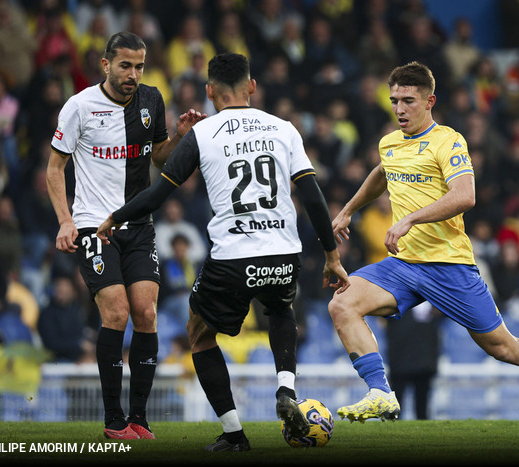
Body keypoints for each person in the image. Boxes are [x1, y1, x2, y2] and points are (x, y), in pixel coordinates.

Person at [328, 61, 519, 436]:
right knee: (342, 303)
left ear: (429, 101)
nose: (399, 109)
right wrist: (347, 211)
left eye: (408, 100)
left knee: (505, 348)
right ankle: (380, 392)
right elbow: (381, 172)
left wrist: (409, 219)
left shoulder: (449, 141)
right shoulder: (389, 142)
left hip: (448, 266)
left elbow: (465, 195)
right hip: (403, 264)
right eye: (394, 101)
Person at [96, 53, 350, 451]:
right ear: (252, 87)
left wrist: (116, 216)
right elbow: (314, 199)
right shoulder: (283, 129)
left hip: (232, 256)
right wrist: (332, 255)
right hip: (284, 252)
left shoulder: (203, 133)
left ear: (210, 92)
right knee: (280, 309)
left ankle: (234, 435)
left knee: (198, 334)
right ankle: (286, 389)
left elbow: (158, 194)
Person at [46, 31, 201, 440]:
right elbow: (54, 168)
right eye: (125, 66)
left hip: (139, 222)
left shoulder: (151, 99)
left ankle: (139, 418)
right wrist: (65, 220)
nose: (133, 74)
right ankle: (113, 420)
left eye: (139, 67)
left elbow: (158, 155)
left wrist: (180, 135)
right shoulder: (79, 107)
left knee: (146, 313)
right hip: (94, 224)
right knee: (115, 312)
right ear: (105, 64)